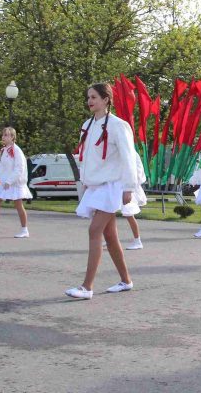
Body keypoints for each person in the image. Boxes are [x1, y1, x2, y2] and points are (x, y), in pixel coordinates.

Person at [65, 83, 137, 300]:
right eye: (88, 97)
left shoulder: (118, 125)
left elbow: (128, 157)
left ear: (106, 99)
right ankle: (126, 280)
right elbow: (86, 157)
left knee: (94, 231)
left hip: (112, 185)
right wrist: (85, 181)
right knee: (110, 235)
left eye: (94, 97)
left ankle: (87, 287)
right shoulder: (87, 125)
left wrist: (129, 187)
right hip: (96, 186)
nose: (90, 101)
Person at [0, 127, 33, 238]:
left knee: (18, 205)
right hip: (5, 183)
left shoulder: (16, 150)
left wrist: (10, 180)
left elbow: (19, 168)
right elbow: (2, 168)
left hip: (15, 183)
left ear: (12, 137)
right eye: (3, 135)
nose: (3, 137)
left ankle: (24, 230)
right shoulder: (3, 150)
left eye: (6, 135)